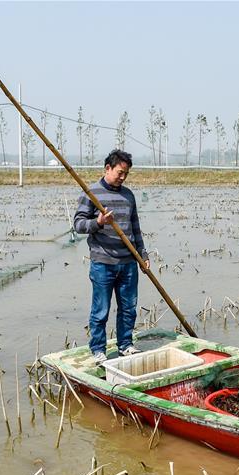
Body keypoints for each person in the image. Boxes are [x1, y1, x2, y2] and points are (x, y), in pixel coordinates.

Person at [73, 149, 149, 364]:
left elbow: (135, 227)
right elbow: (78, 225)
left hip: (128, 262)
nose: (123, 177)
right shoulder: (92, 193)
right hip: (103, 263)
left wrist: (142, 254)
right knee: (101, 310)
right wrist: (98, 223)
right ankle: (98, 349)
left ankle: (125, 345)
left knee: (128, 308)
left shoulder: (128, 195)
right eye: (120, 172)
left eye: (126, 173)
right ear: (108, 168)